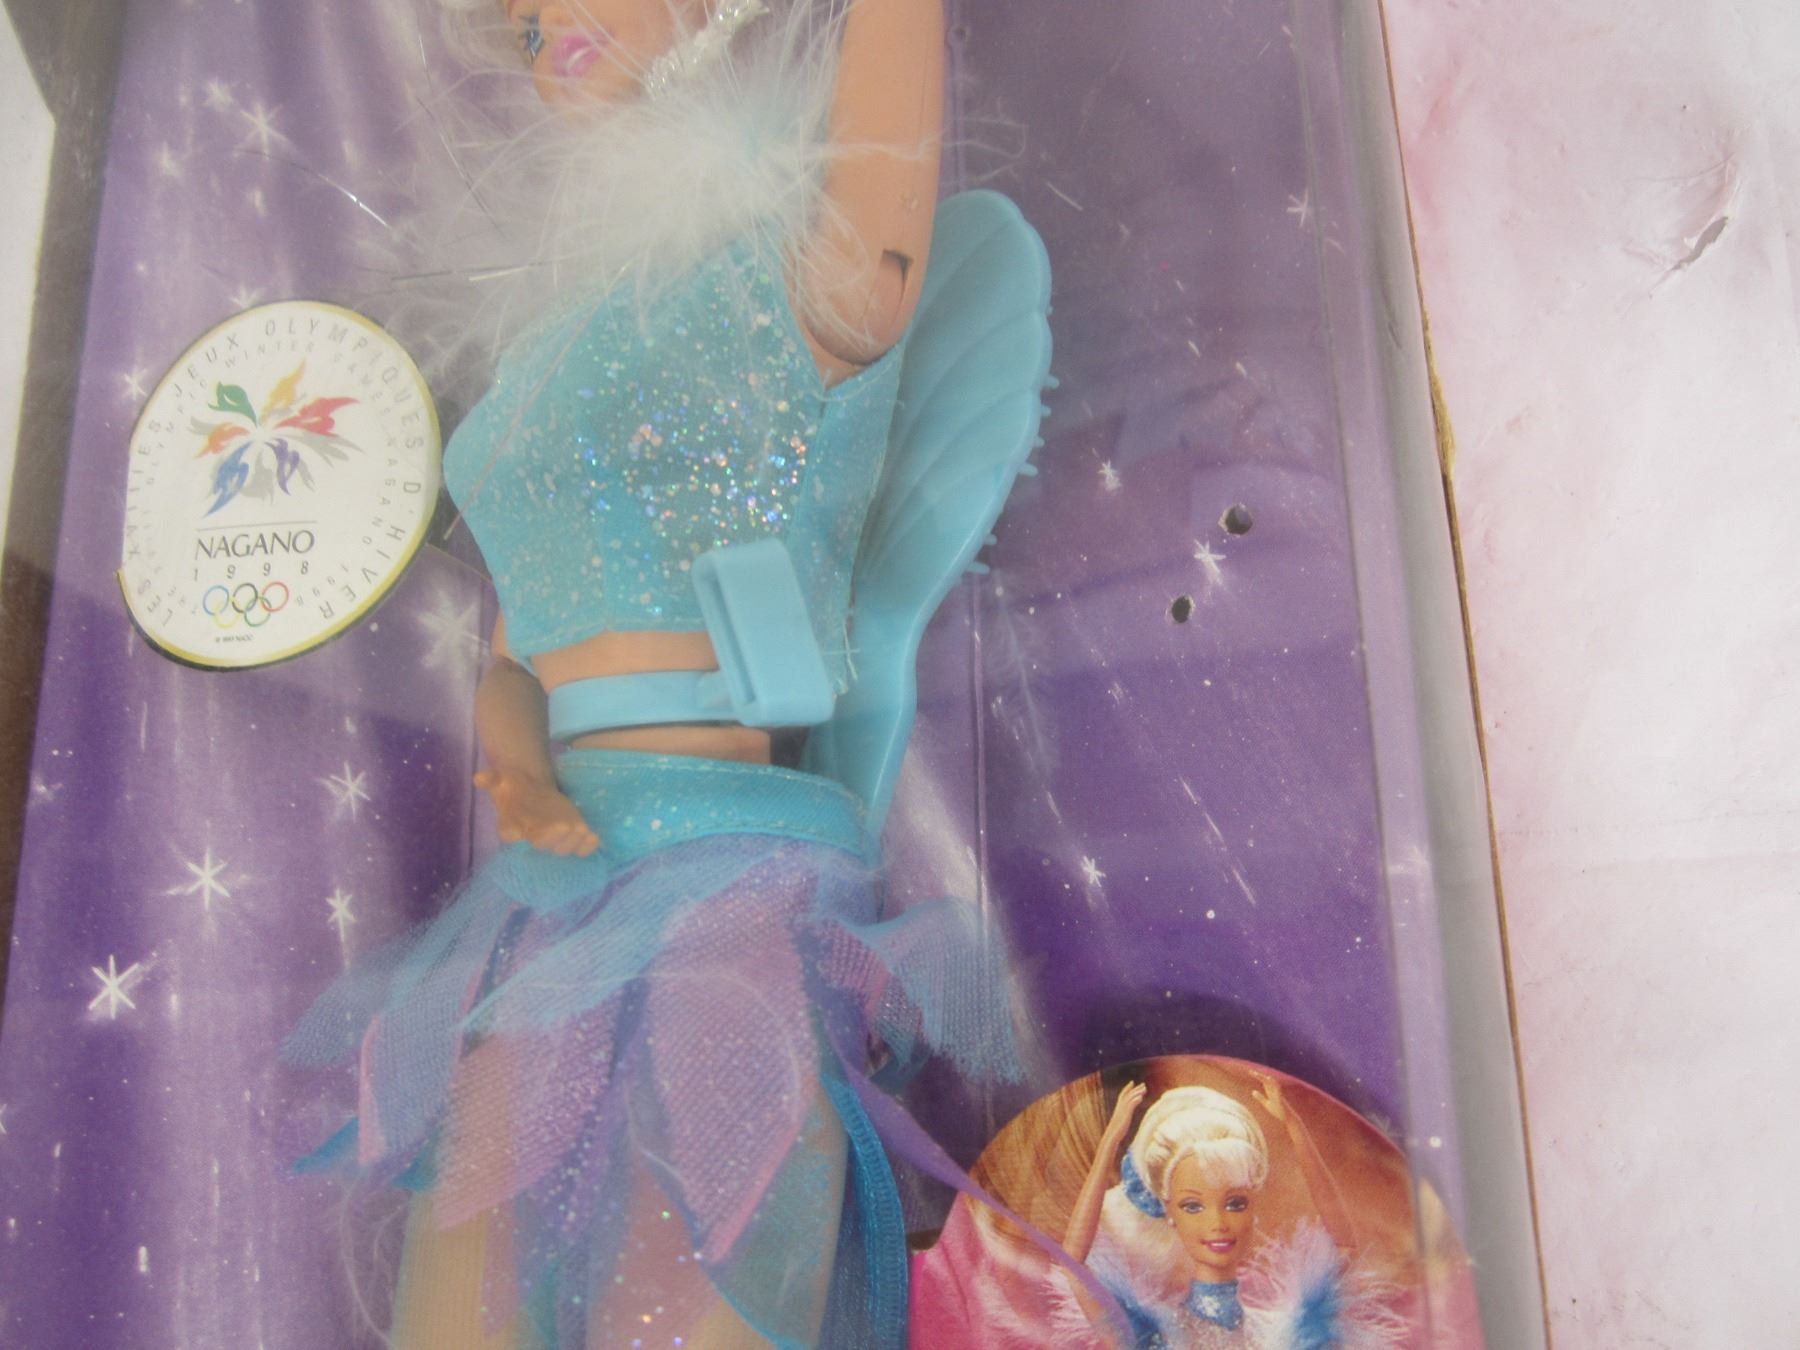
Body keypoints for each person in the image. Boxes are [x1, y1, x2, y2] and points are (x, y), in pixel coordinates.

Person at [284, 3, 1034, 1347]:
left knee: (694, 1271)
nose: (545, 30)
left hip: (726, 878)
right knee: (467, 1294)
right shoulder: (540, 346)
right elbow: (515, 652)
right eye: (521, 27)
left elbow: (879, 220)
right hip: (551, 892)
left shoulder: (779, 282)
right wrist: (519, 771)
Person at [1053, 1076, 1406, 1349]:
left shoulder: (1283, 1330)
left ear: (1253, 1209)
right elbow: (1072, 1265)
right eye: (1193, 1206)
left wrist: (1296, 1130)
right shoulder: (1155, 1335)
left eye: (1235, 1203)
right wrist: (1110, 1142)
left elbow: (1344, 1246)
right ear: (1169, 1211)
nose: (1218, 1223)